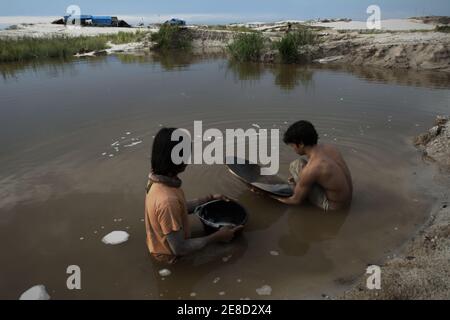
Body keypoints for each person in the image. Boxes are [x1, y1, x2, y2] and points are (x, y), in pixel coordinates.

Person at [145, 127, 243, 264]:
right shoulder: (167, 200)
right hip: (171, 256)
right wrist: (217, 237)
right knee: (238, 249)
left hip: (161, 242)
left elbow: (179, 208)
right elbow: (180, 249)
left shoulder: (156, 180)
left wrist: (209, 198)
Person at [272, 120, 353, 211]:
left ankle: (300, 187)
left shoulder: (313, 167)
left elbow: (295, 201)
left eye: (292, 146)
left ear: (301, 144)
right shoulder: (330, 148)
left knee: (296, 165)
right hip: (347, 199)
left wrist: (272, 196)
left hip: (332, 206)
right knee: (305, 173)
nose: (293, 149)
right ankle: (303, 185)